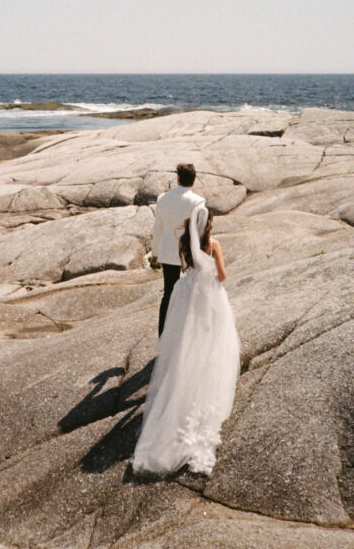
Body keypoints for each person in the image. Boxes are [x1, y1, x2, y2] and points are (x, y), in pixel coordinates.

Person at [132, 203, 241, 477]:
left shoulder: (183, 243)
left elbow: (183, 269)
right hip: (207, 294)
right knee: (210, 340)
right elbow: (223, 276)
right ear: (208, 225)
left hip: (186, 292)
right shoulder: (213, 244)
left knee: (185, 342)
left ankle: (182, 385)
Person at [150, 163, 205, 336]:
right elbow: (199, 231)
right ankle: (186, 335)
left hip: (167, 252)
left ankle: (163, 335)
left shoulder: (163, 198)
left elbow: (157, 228)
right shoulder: (197, 201)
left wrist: (155, 253)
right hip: (189, 253)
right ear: (193, 180)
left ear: (178, 178)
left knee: (168, 294)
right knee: (190, 294)